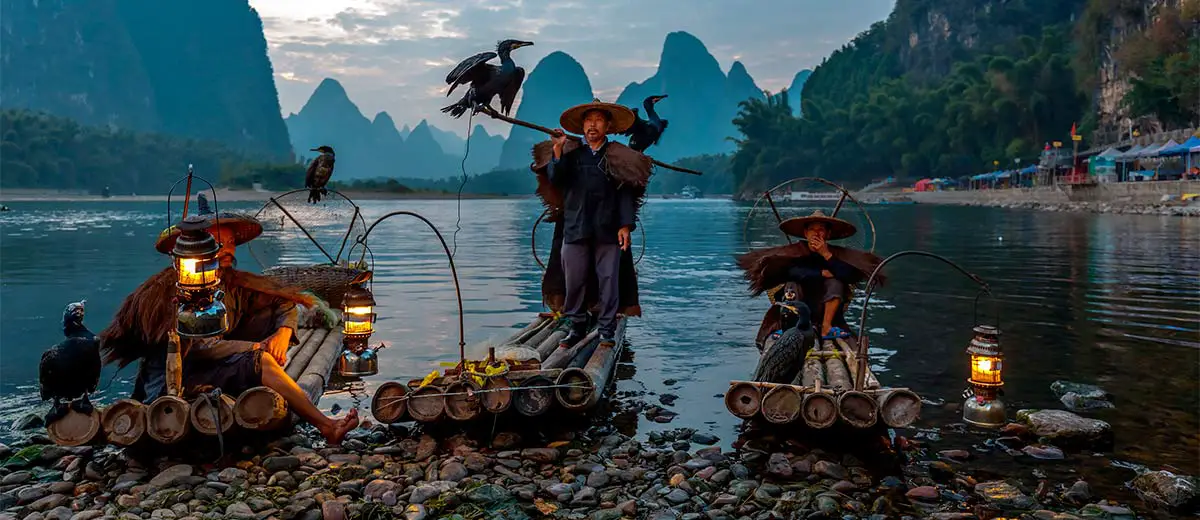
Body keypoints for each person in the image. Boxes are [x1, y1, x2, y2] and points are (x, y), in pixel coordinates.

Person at [98, 194, 358, 444]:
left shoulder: (231, 282)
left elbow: (283, 302)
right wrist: (256, 349)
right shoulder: (169, 289)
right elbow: (199, 347)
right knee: (264, 362)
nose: (228, 250)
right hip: (174, 382)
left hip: (210, 367)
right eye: (218, 243)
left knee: (268, 336)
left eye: (231, 242)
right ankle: (327, 426)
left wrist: (283, 334)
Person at [531, 99, 650, 348]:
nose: (592, 125)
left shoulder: (618, 156)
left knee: (609, 280)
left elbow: (626, 192)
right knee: (573, 279)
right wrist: (557, 149)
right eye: (588, 120)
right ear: (582, 126)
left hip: (608, 229)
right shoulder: (572, 154)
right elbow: (555, 177)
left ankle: (606, 330)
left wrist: (625, 225)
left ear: (607, 125)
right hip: (575, 227)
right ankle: (576, 326)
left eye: (597, 120)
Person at [737, 209, 885, 349]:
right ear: (805, 233)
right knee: (793, 284)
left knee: (836, 282)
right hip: (797, 308)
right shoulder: (794, 252)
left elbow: (848, 275)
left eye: (821, 230)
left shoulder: (836, 254)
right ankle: (791, 328)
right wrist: (820, 273)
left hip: (825, 309)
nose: (817, 234)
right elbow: (791, 272)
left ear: (828, 234)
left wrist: (825, 254)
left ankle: (826, 328)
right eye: (813, 230)